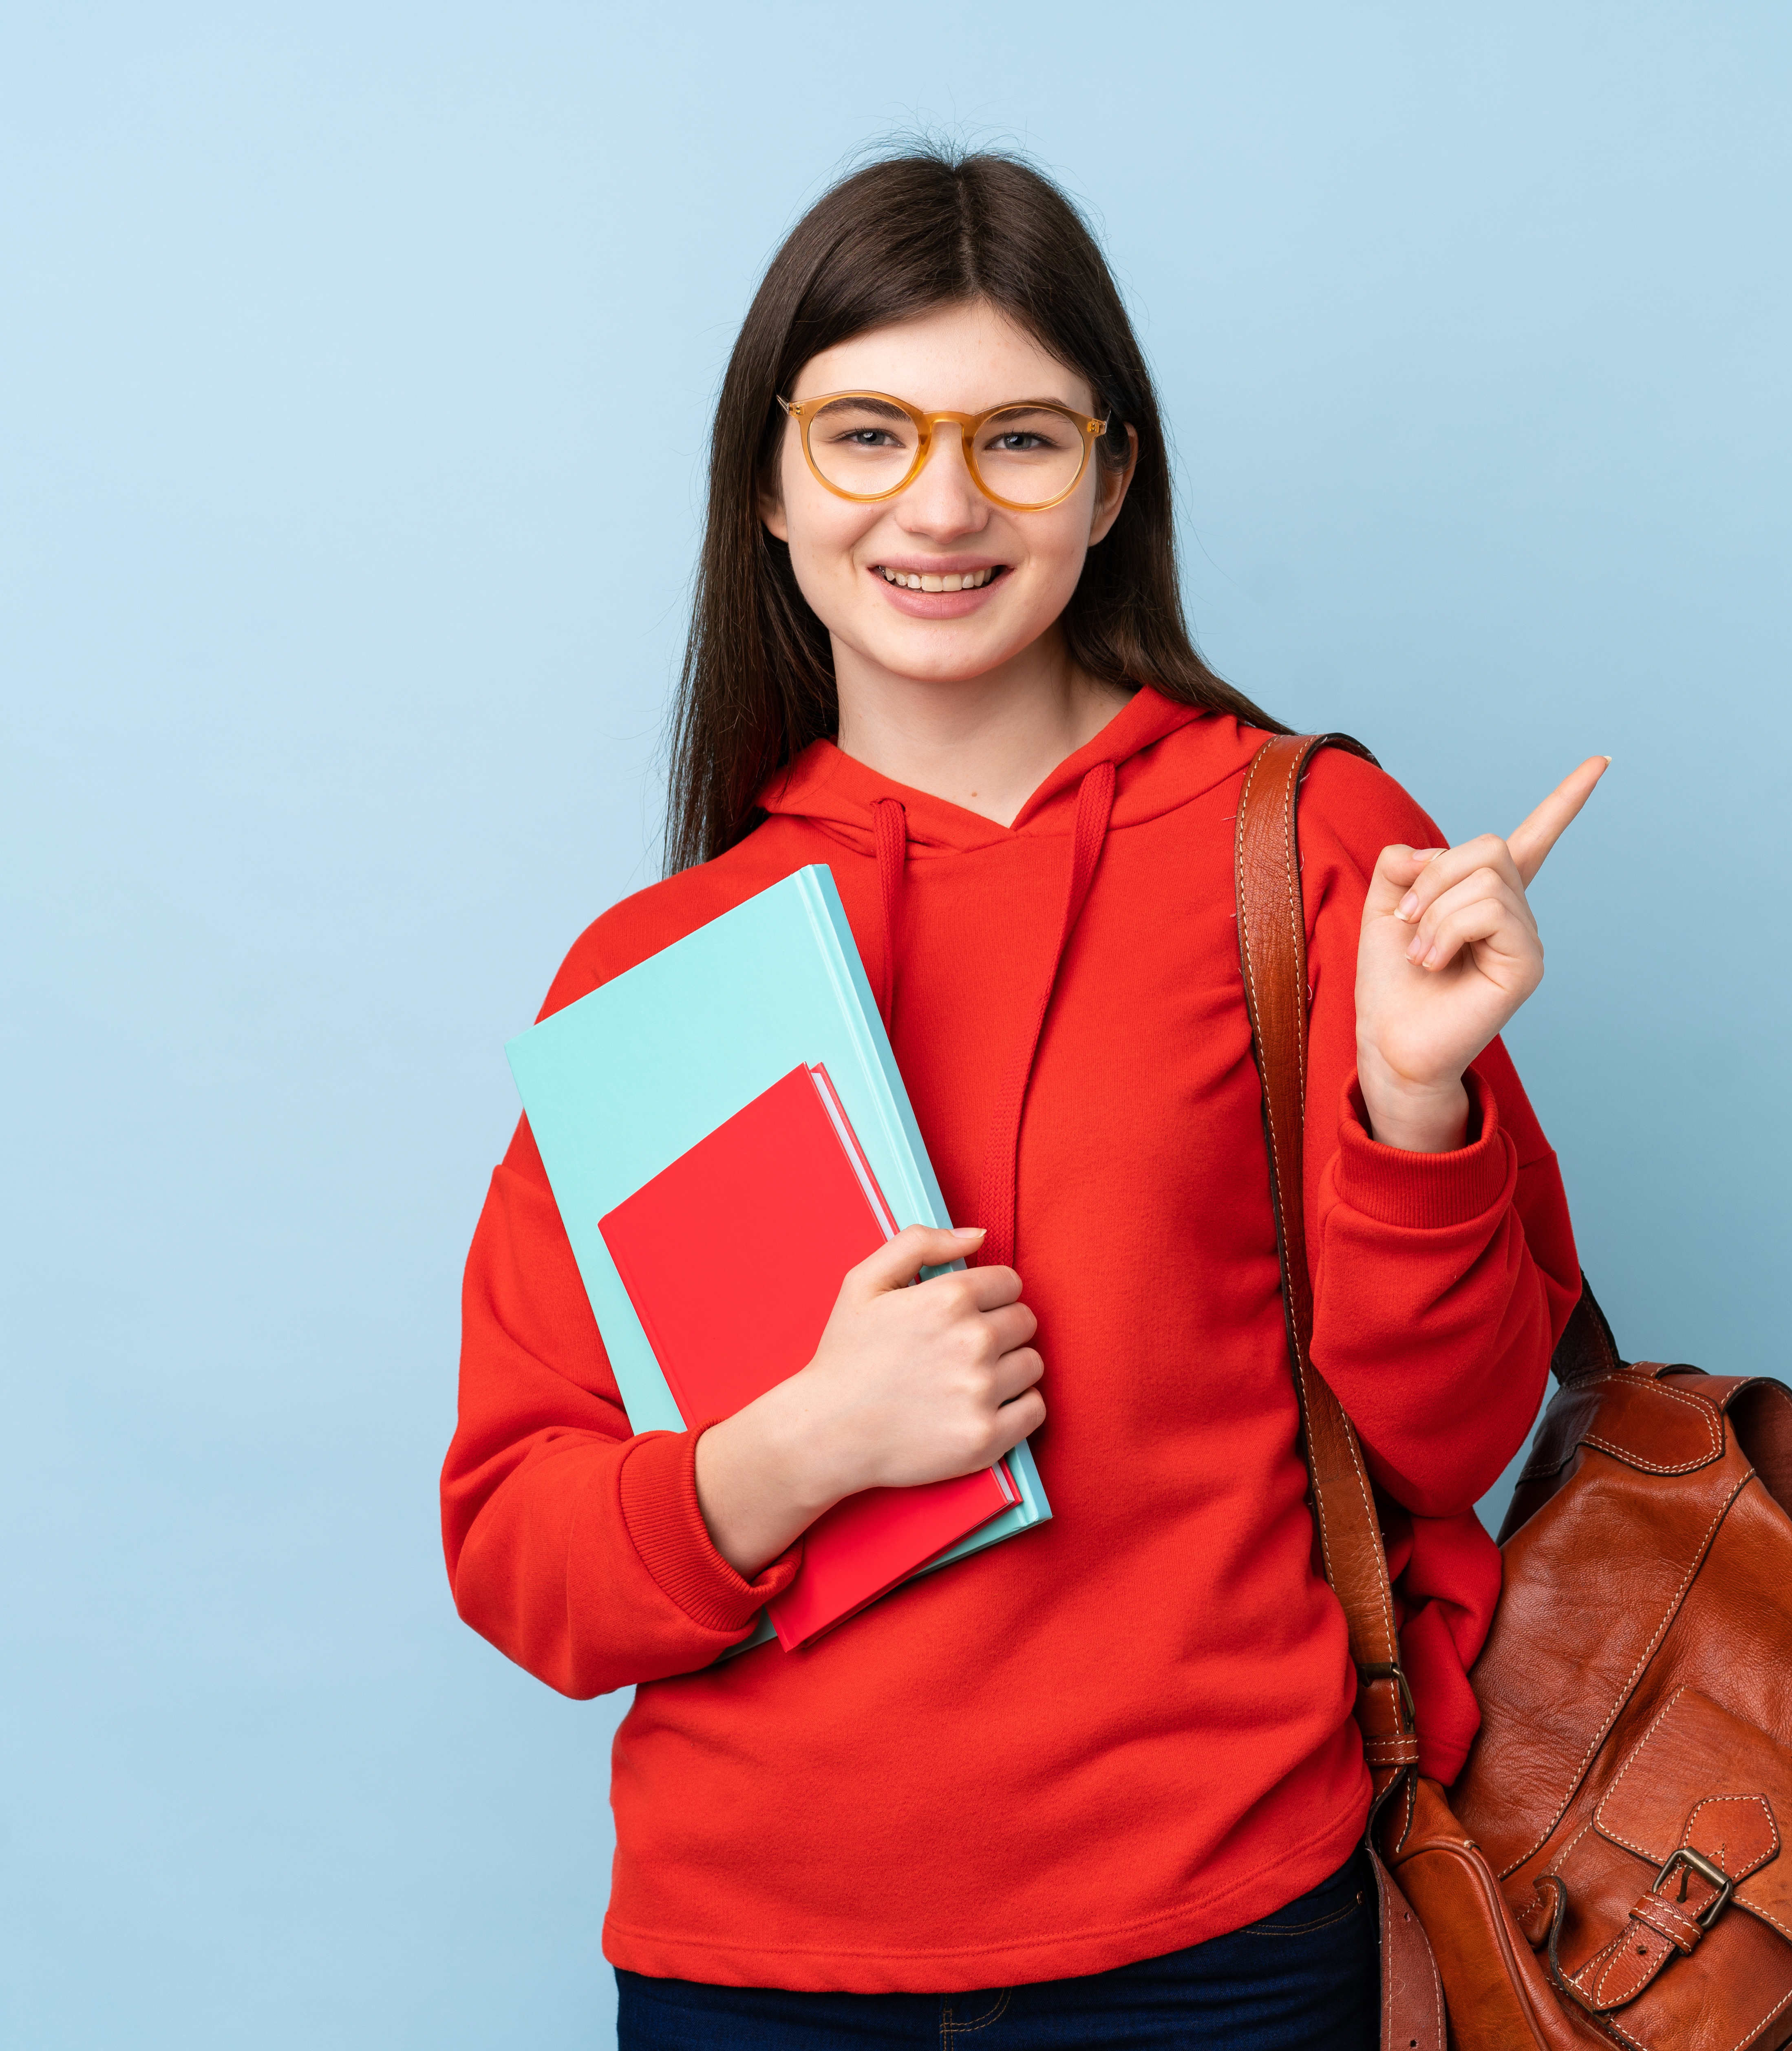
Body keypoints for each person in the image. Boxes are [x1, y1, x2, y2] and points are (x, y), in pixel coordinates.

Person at [441, 146, 1599, 2050]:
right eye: (869, 434)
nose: (943, 505)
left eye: (1019, 440)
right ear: (770, 483)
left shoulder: (1306, 852)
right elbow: (522, 1552)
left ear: (1111, 477)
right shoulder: (659, 969)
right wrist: (805, 1445)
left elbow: (1458, 1436)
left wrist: (1411, 1101)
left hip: (1221, 1950)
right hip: (756, 1974)